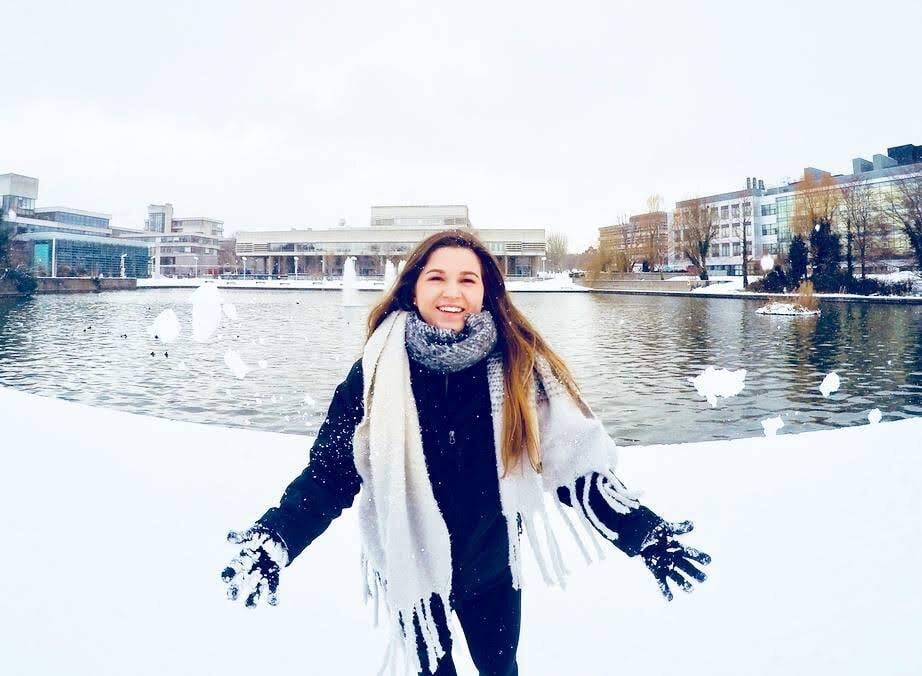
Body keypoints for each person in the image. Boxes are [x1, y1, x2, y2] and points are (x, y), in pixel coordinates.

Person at [221, 230, 711, 675]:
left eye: (467, 280)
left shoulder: (520, 370)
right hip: (413, 573)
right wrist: (276, 538)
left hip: (493, 571)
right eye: (436, 277)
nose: (451, 292)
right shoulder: (373, 376)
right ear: (413, 288)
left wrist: (645, 534)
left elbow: (575, 467)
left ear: (486, 292)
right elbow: (330, 475)